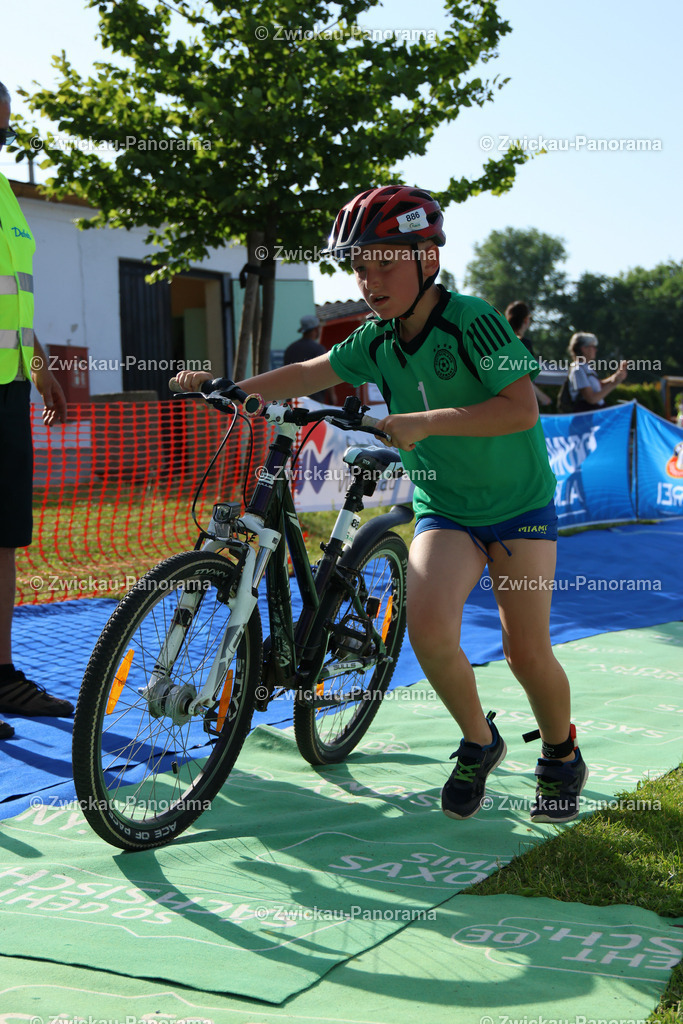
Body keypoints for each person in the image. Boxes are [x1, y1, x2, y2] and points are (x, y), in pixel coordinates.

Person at [174, 184, 588, 824]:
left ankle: (561, 754)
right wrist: (230, 389)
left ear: (429, 259)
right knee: (428, 632)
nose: (370, 281)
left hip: (519, 507)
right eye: (360, 266)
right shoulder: (376, 339)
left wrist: (424, 422)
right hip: (446, 508)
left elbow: (520, 408)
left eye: (386, 263)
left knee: (524, 652)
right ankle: (480, 741)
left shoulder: (473, 320)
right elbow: (308, 373)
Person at [0, 82, 73, 740]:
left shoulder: (5, 197)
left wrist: (41, 365)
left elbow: (14, 299)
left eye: (4, 129)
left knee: (3, 537)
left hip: (7, 390)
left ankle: (1, 676)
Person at [504, 301, 552, 408]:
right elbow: (523, 376)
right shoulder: (524, 344)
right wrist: (541, 396)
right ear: (526, 320)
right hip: (520, 401)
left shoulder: (501, 342)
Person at [566, 332, 627, 410]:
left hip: (594, 414)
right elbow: (592, 399)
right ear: (584, 348)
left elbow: (598, 386)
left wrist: (616, 377)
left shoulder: (586, 368)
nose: (596, 350)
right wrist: (614, 382)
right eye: (593, 346)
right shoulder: (578, 370)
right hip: (587, 416)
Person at [283, 314, 335, 403]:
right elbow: (327, 373)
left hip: (293, 400)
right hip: (313, 402)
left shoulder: (290, 349)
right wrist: (332, 397)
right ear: (316, 329)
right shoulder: (318, 349)